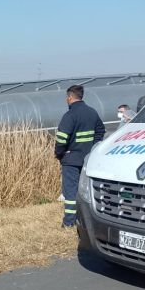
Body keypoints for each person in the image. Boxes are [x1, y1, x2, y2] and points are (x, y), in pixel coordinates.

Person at [55, 85, 105, 228]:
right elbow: (100, 131)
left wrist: (60, 153)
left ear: (70, 97)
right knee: (86, 191)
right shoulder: (92, 112)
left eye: (67, 97)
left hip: (71, 160)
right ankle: (86, 220)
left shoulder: (69, 116)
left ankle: (69, 222)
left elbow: (61, 139)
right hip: (88, 159)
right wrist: (92, 149)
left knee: (70, 192)